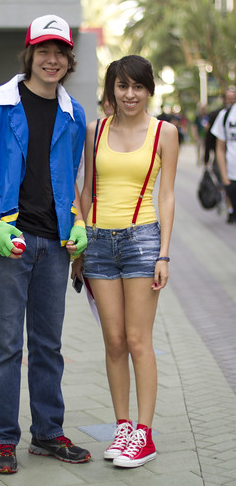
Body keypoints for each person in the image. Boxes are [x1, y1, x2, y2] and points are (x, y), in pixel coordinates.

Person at [0, 14, 91, 474]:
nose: (51, 60)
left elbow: (75, 180)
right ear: (30, 54)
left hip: (55, 245)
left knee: (48, 344)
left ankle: (48, 434)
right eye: (44, 51)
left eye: (60, 52)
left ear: (69, 59)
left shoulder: (75, 115)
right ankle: (2, 440)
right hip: (7, 242)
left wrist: (78, 223)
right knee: (7, 343)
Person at [71, 55, 178, 468]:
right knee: (113, 341)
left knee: (137, 340)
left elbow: (166, 196)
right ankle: (122, 428)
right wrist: (78, 246)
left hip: (141, 242)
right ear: (111, 90)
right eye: (121, 86)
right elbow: (86, 189)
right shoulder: (95, 130)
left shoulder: (163, 133)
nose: (129, 94)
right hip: (96, 243)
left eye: (137, 86)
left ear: (149, 89)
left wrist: (164, 253)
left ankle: (144, 435)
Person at [204, 88, 236, 222]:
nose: (230, 100)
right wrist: (224, 178)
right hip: (230, 170)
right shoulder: (224, 115)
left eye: (232, 97)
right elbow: (218, 146)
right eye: (228, 97)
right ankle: (230, 211)